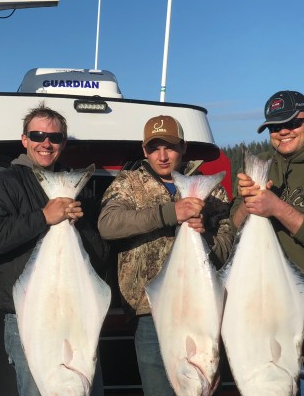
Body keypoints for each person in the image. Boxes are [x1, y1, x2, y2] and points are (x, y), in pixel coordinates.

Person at [0, 103, 107, 396]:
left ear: (63, 143)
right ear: (24, 140)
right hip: (30, 316)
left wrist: (80, 225)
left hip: (77, 315)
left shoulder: (78, 189)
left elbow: (101, 254)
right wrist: (43, 218)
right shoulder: (4, 183)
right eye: (37, 135)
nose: (46, 143)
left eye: (55, 138)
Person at [97, 114, 233, 396]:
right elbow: (108, 225)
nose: (161, 156)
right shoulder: (128, 183)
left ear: (183, 147)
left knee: (202, 384)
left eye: (169, 147)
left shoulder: (211, 190)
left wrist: (203, 236)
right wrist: (171, 213)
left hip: (203, 307)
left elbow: (226, 244)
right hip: (148, 312)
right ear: (144, 150)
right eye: (153, 148)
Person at [229, 90, 304, 393]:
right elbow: (231, 231)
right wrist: (247, 204)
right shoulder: (262, 167)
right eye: (275, 127)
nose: (283, 131)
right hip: (265, 306)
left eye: (293, 122)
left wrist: (277, 208)